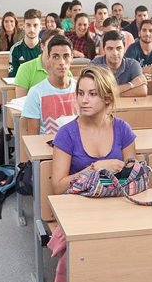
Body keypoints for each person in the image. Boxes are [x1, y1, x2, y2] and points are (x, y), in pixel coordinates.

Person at [51, 65, 137, 194]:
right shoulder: (66, 133)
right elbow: (58, 188)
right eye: (81, 93)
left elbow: (132, 179)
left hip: (116, 201)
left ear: (108, 98)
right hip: (78, 204)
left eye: (92, 94)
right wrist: (94, 168)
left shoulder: (123, 129)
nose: (84, 100)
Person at [22, 35, 76, 136]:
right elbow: (33, 139)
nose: (61, 62)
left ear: (72, 58)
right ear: (48, 59)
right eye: (56, 57)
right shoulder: (36, 93)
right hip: (47, 148)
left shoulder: (81, 89)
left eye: (66, 56)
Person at [92, 30, 148, 97]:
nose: (115, 53)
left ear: (124, 49)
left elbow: (142, 91)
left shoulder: (133, 64)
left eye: (119, 48)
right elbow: (93, 91)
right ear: (104, 50)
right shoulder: (95, 65)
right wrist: (131, 85)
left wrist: (111, 94)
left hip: (127, 106)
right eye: (110, 49)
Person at [14, 28, 62, 96]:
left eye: (58, 45)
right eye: (51, 44)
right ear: (42, 46)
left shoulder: (64, 71)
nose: (55, 48)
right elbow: (21, 103)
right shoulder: (25, 69)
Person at [9, 8, 42, 77]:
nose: (32, 29)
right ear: (23, 26)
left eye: (35, 25)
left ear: (40, 27)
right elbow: (13, 77)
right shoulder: (15, 49)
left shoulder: (47, 48)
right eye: (28, 25)